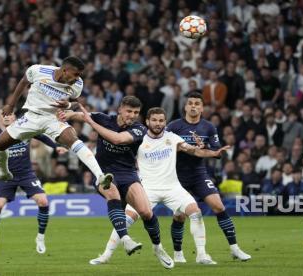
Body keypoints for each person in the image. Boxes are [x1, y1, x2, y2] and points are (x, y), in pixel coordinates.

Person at [90, 107, 230, 265]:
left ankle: (202, 255)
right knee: (126, 219)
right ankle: (106, 255)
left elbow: (193, 151)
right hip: (147, 188)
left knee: (195, 212)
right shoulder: (138, 138)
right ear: (147, 121)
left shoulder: (172, 138)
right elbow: (121, 149)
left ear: (165, 122)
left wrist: (213, 153)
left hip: (172, 187)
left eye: (161, 121)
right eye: (154, 120)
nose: (158, 124)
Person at [60, 96, 172, 269]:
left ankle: (158, 248)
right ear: (120, 109)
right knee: (112, 193)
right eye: (129, 111)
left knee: (146, 212)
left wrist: (92, 124)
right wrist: (66, 113)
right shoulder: (104, 118)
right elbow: (80, 115)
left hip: (128, 174)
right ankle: (126, 239)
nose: (132, 115)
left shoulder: (139, 129)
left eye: (136, 112)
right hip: (103, 173)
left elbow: (118, 139)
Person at [0, 56, 113, 190]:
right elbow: (23, 82)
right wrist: (11, 105)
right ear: (64, 71)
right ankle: (4, 173)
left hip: (52, 119)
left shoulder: (78, 83)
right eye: (75, 74)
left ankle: (100, 176)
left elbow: (76, 103)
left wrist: (68, 104)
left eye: (79, 75)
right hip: (31, 117)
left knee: (73, 140)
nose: (77, 78)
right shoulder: (38, 70)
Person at [166, 91, 251, 261]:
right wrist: (186, 147)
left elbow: (217, 152)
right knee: (180, 216)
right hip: (177, 177)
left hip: (199, 175)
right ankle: (177, 253)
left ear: (202, 108)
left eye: (197, 103)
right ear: (185, 106)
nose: (193, 106)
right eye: (190, 103)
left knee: (219, 206)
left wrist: (205, 146)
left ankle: (234, 248)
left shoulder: (209, 127)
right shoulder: (174, 126)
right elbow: (163, 148)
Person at [0, 110, 67, 254]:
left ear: (15, 118)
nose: (6, 117)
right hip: (5, 176)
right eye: (3, 115)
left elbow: (40, 136)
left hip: (26, 174)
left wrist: (56, 147)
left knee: (43, 201)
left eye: (9, 114)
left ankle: (40, 237)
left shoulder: (24, 130)